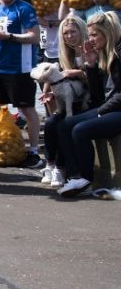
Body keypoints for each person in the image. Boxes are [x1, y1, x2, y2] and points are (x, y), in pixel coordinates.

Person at [55, 13, 121, 197]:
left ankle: (86, 178)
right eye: (90, 35)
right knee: (64, 125)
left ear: (107, 33)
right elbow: (99, 95)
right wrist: (91, 64)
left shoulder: (119, 54)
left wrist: (101, 111)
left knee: (80, 130)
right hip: (110, 107)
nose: (90, 39)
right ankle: (74, 175)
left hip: (117, 110)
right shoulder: (104, 53)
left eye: (94, 35)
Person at [0, 0, 43, 169]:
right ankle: (1, 144)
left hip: (21, 67)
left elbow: (34, 37)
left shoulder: (24, 8)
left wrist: (9, 36)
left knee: (26, 109)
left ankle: (34, 151)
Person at [39, 15, 95, 188]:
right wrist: (49, 92)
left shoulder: (91, 51)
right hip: (72, 101)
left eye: (73, 32)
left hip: (90, 101)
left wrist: (78, 73)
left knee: (65, 125)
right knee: (50, 123)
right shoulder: (66, 54)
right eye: (66, 34)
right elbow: (60, 79)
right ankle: (51, 165)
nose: (69, 36)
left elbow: (97, 83)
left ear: (81, 30)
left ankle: (66, 170)